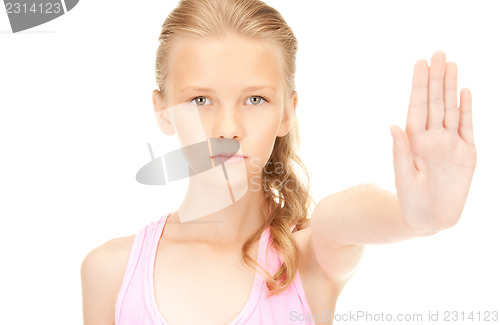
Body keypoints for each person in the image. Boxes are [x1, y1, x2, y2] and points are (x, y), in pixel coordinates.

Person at [80, 0, 477, 324]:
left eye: (255, 100)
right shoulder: (110, 273)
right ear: (163, 110)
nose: (228, 128)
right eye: (200, 99)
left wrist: (417, 218)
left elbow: (341, 214)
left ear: (287, 112)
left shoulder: (308, 258)